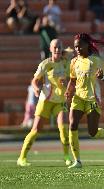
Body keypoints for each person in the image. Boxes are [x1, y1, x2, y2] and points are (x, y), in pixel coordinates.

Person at [17, 39, 72, 167]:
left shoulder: (66, 64)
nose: (57, 49)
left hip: (60, 102)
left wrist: (67, 82)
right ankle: (22, 157)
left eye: (59, 47)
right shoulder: (45, 64)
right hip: (46, 101)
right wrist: (36, 88)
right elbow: (34, 81)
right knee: (36, 130)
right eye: (55, 47)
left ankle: (67, 157)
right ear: (50, 49)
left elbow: (72, 80)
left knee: (63, 129)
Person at [64, 33, 104, 169]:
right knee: (72, 124)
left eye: (80, 46)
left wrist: (101, 77)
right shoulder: (74, 62)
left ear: (87, 45)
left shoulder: (96, 61)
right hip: (79, 98)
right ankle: (77, 161)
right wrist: (69, 91)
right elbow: (73, 80)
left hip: (93, 98)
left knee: (92, 132)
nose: (77, 49)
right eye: (75, 47)